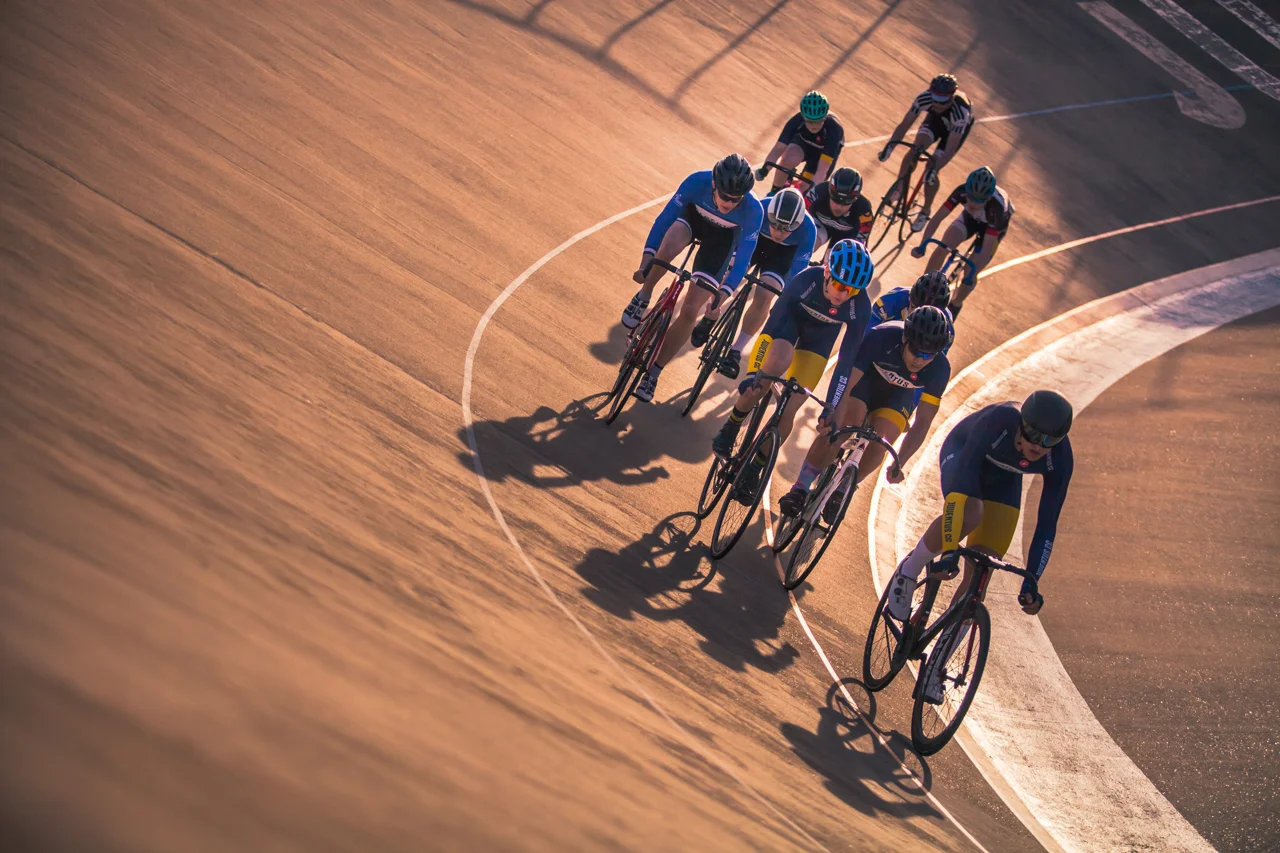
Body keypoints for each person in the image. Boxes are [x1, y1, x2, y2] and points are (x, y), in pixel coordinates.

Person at [886, 390, 1074, 701]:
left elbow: (1047, 524)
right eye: (1034, 435)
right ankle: (909, 570)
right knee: (971, 513)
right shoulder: (999, 420)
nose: (1040, 446)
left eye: (1050, 440)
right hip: (963, 457)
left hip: (1005, 482)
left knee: (981, 572)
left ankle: (937, 665)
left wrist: (1032, 581)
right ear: (1022, 424)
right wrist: (950, 550)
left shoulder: (1061, 458)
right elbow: (958, 496)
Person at [709, 240, 874, 502]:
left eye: (852, 290)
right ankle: (731, 426)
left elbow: (845, 363)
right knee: (768, 373)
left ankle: (755, 468)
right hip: (788, 327)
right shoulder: (806, 281)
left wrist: (831, 408)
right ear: (827, 273)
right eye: (840, 285)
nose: (844, 295)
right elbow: (771, 328)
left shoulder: (860, 306)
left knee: (792, 406)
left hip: (817, 344)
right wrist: (753, 374)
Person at [778, 306, 954, 521]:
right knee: (843, 427)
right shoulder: (881, 337)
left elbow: (923, 422)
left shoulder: (940, 369)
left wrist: (900, 462)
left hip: (897, 397)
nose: (920, 359)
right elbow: (846, 385)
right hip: (864, 382)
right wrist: (832, 419)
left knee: (882, 443)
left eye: (928, 355)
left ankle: (845, 488)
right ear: (905, 339)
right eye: (916, 351)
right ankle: (800, 488)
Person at [621, 153, 764, 402]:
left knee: (690, 311)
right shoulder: (697, 181)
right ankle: (644, 295)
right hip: (692, 220)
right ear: (714, 184)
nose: (729, 203)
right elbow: (664, 220)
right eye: (725, 196)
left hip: (721, 242)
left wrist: (724, 292)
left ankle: (654, 372)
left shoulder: (753, 210)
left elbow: (744, 257)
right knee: (669, 246)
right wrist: (646, 262)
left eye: (736, 199)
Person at [700, 187, 817, 380]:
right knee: (728, 273)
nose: (778, 232)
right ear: (769, 215)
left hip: (781, 257)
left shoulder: (808, 229)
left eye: (786, 229)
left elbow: (797, 274)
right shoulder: (760, 208)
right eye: (775, 224)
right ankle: (710, 314)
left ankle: (736, 351)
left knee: (765, 295)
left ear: (797, 224)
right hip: (754, 243)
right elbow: (737, 240)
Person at [911, 165, 1014, 319]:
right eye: (970, 198)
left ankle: (956, 303)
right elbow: (937, 218)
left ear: (987, 199)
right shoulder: (961, 191)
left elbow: (986, 250)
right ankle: (924, 285)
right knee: (944, 246)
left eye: (978, 201)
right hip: (969, 219)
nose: (972, 203)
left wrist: (972, 273)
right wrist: (923, 245)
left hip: (992, 229)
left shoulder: (996, 209)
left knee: (971, 269)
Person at [877, 74, 975, 232]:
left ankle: (926, 210)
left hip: (952, 133)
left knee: (931, 168)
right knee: (915, 149)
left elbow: (950, 149)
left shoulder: (961, 113)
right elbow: (904, 125)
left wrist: (935, 168)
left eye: (942, 101)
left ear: (951, 97)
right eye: (935, 99)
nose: (937, 104)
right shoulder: (924, 98)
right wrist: (889, 148)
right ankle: (899, 188)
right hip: (935, 122)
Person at [755, 91, 845, 195]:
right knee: (788, 159)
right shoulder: (796, 121)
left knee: (805, 188)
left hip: (823, 152)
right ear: (803, 116)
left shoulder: (834, 129)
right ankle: (774, 191)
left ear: (825, 117)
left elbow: (822, 169)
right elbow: (778, 148)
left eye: (817, 121)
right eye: (809, 121)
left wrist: (812, 191)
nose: (813, 125)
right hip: (803, 143)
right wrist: (765, 169)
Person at [805, 166, 874, 257]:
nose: (838, 207)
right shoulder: (817, 193)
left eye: (846, 202)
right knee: (807, 246)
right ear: (828, 192)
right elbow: (801, 218)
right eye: (835, 200)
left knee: (837, 259)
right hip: (820, 226)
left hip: (847, 237)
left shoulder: (864, 211)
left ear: (855, 199)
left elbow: (859, 243)